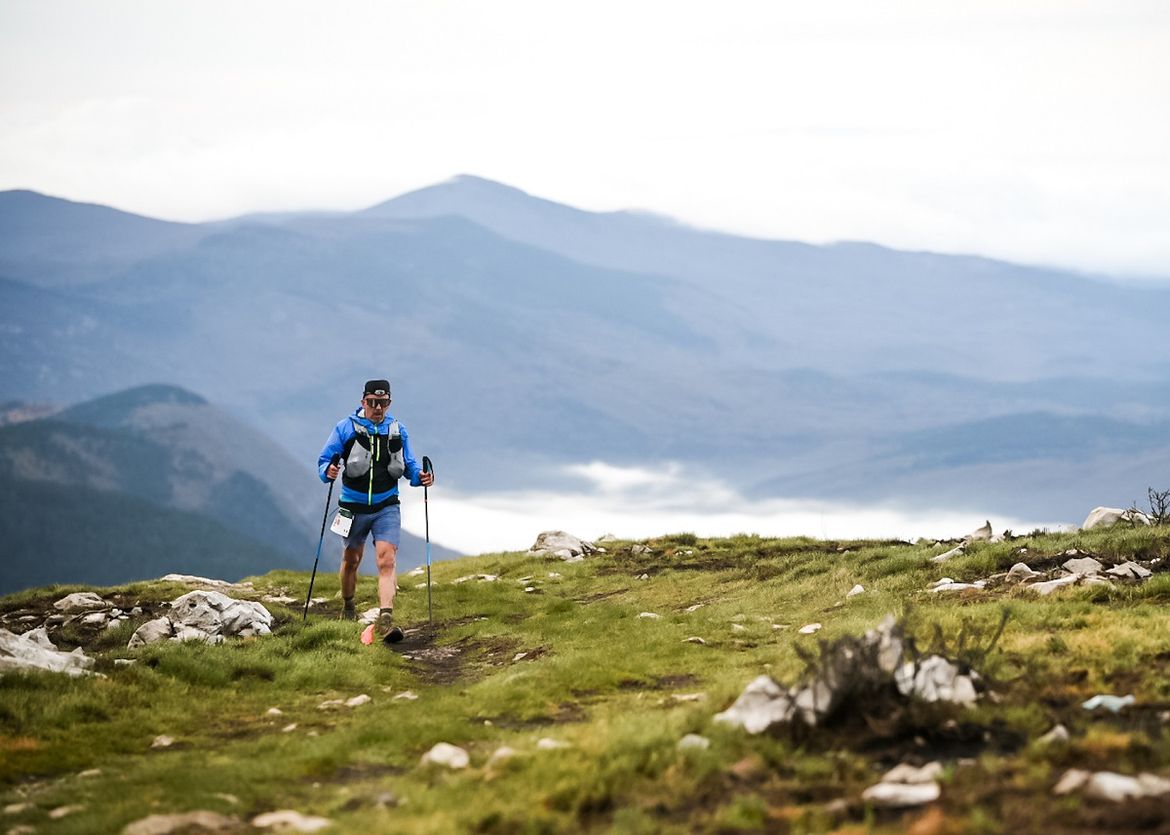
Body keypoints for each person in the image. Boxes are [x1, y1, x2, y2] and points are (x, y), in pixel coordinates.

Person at [317, 379, 434, 642]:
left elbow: (410, 466)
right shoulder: (345, 428)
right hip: (352, 506)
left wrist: (421, 478)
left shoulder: (398, 430)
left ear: (389, 403)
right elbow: (325, 460)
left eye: (382, 403)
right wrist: (329, 471)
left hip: (386, 505)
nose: (377, 408)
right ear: (363, 402)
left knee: (386, 559)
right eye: (372, 402)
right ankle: (348, 607)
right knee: (352, 560)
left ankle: (386, 618)